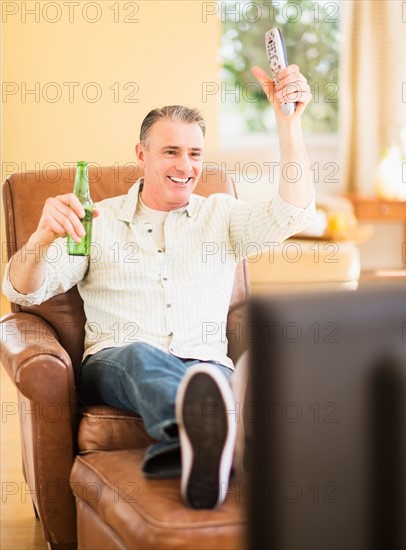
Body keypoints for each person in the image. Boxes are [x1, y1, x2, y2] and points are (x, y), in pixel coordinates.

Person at [2, 64, 315, 509]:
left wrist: (290, 121)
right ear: (141, 154)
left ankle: (203, 458)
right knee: (141, 357)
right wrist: (40, 238)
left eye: (194, 154)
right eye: (170, 151)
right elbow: (24, 290)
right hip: (118, 360)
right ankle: (221, 435)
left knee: (237, 376)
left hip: (207, 364)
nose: (185, 166)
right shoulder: (98, 220)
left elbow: (294, 213)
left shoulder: (221, 216)